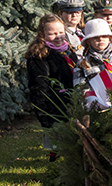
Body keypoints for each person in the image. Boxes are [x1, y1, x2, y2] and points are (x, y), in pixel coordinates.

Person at [25, 14, 78, 160]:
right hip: (56, 108)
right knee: (58, 145)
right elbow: (38, 88)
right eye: (53, 33)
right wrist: (46, 117)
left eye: (61, 32)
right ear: (42, 34)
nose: (58, 36)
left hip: (72, 104)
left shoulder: (68, 50)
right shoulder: (40, 57)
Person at [73, 18, 112, 90]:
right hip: (96, 100)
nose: (100, 39)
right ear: (88, 41)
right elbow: (80, 90)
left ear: (110, 38)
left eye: (104, 36)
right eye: (95, 37)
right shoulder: (83, 64)